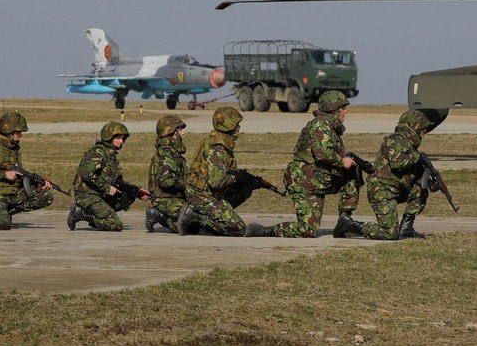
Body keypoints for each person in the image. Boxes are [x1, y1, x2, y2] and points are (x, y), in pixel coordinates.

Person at [245, 90, 360, 238]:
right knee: (306, 230)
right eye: (343, 109)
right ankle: (264, 230)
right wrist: (342, 161)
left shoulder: (330, 128)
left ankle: (345, 220)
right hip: (304, 182)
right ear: (334, 110)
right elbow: (323, 153)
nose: (345, 112)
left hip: (318, 180)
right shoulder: (320, 125)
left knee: (352, 175)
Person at [334, 109, 432, 240]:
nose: (423, 134)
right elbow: (398, 162)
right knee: (389, 234)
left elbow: (410, 173)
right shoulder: (395, 140)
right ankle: (349, 225)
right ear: (414, 127)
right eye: (422, 130)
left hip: (396, 188)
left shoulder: (409, 145)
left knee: (421, 190)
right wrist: (418, 158)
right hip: (381, 190)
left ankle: (406, 228)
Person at [176, 106, 260, 236]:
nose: (239, 128)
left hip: (202, 191)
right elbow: (216, 182)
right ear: (229, 126)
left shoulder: (214, 140)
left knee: (245, 189)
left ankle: (218, 216)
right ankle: (196, 216)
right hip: (202, 196)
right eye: (236, 124)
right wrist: (237, 177)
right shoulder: (218, 148)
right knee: (238, 229)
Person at [0, 112, 54, 230]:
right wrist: (4, 174)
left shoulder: (14, 147)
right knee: (2, 224)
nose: (20, 135)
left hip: (11, 191)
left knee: (46, 196)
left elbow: (17, 173)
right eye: (18, 132)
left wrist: (39, 184)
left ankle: (4, 213)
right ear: (9, 130)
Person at [67, 121, 137, 231]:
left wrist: (136, 191)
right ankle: (82, 214)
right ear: (109, 137)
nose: (121, 141)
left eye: (123, 138)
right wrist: (107, 188)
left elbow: (113, 179)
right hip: (87, 194)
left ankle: (102, 215)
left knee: (129, 195)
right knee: (115, 225)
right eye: (118, 138)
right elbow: (86, 173)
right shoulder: (98, 152)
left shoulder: (110, 155)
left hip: (99, 193)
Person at [146, 116, 188, 233]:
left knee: (190, 224)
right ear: (172, 132)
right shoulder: (167, 152)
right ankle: (159, 214)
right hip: (165, 199)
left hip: (172, 198)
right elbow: (165, 180)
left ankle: (158, 215)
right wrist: (186, 185)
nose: (183, 133)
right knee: (194, 221)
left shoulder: (171, 150)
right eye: (180, 130)